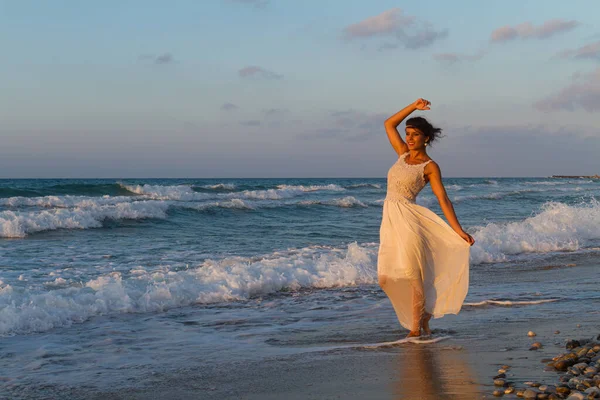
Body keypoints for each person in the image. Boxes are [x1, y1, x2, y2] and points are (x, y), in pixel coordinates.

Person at [378, 98, 475, 338]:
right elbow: (389, 124)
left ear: (426, 138)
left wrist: (459, 231)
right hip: (390, 220)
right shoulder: (401, 154)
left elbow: (443, 200)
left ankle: (415, 328)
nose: (409, 138)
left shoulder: (430, 166)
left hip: (409, 220)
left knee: (413, 275)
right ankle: (424, 315)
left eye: (415, 135)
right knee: (385, 276)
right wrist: (413, 106)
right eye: (408, 134)